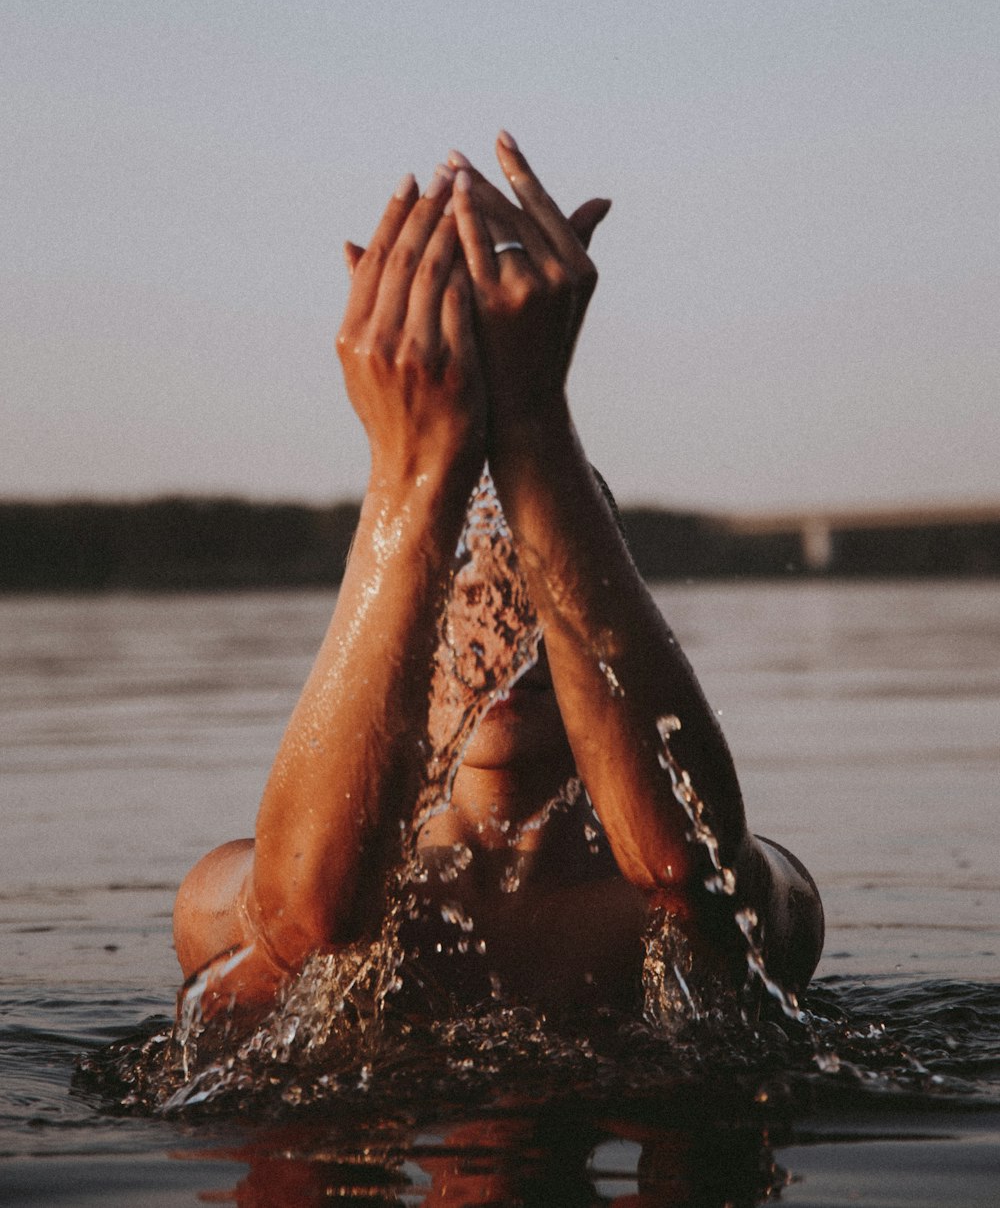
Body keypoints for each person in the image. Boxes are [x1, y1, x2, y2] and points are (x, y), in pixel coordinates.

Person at [172, 132, 823, 1026]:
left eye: (532, 603)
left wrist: (535, 422)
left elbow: (698, 878)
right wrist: (410, 473)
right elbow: (307, 919)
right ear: (398, 643)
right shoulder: (231, 886)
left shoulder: (713, 896)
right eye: (457, 599)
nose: (501, 645)